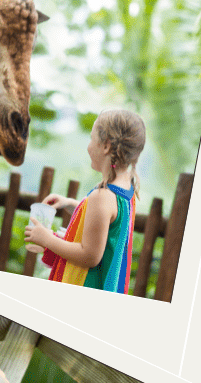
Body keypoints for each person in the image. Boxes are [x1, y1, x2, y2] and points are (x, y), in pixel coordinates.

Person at [24, 109, 146, 293]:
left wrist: (47, 239)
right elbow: (107, 222)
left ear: (105, 146)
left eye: (91, 138)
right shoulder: (126, 187)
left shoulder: (102, 196)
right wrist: (72, 204)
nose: (88, 145)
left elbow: (89, 255)